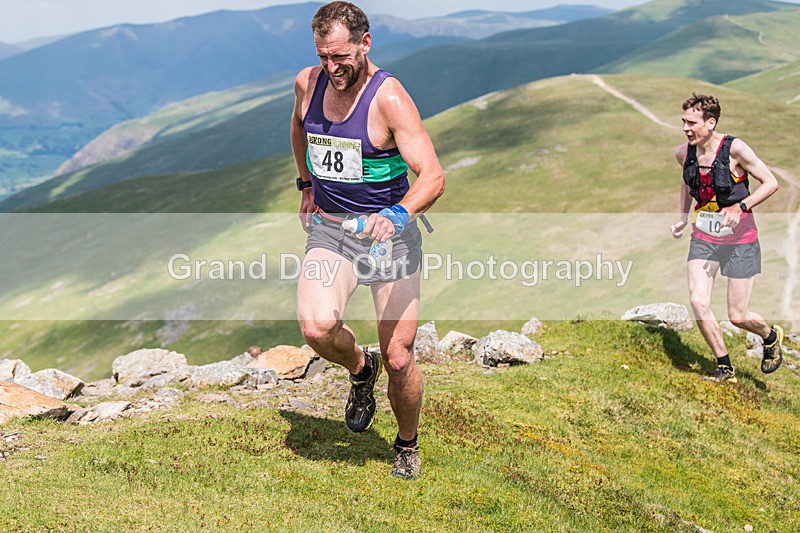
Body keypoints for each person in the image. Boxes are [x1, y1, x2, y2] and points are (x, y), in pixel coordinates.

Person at [290, 1, 445, 479]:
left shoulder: (389, 98)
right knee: (316, 328)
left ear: (365, 42)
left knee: (398, 356)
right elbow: (299, 127)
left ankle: (406, 443)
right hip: (332, 229)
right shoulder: (308, 84)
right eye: (323, 57)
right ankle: (360, 369)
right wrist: (307, 184)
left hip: (389, 240)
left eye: (341, 57)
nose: (333, 69)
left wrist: (398, 213)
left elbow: (433, 176)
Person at [671, 93, 783, 383]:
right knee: (698, 300)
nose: (685, 128)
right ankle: (724, 366)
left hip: (741, 240)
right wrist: (683, 217)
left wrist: (741, 206)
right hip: (704, 237)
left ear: (710, 123)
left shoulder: (735, 149)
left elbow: (771, 183)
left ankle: (769, 335)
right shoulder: (684, 153)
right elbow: (686, 182)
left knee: (737, 315)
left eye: (691, 122)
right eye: (683, 121)